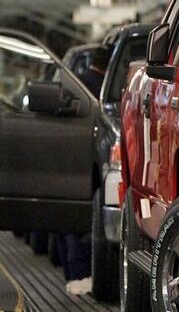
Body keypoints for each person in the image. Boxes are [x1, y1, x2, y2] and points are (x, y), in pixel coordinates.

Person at [55, 47, 109, 295]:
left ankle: (72, 274)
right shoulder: (104, 87)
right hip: (93, 161)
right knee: (84, 223)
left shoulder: (75, 84)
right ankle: (81, 275)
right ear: (108, 65)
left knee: (68, 222)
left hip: (69, 159)